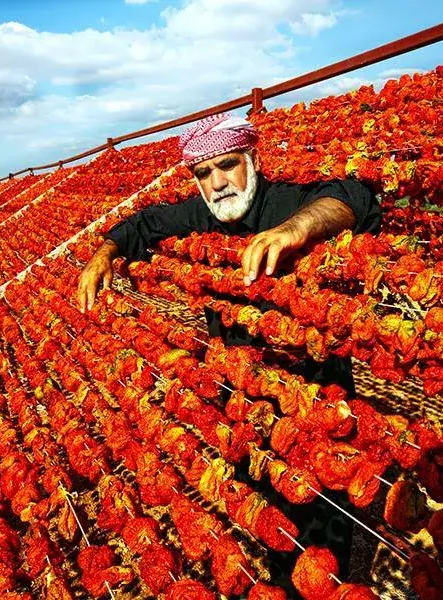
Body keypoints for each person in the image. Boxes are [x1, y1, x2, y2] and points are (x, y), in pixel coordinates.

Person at [76, 112, 382, 587]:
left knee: (325, 511)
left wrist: (295, 230)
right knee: (267, 501)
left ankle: (325, 576)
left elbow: (356, 199)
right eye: (205, 173)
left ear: (252, 160)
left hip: (314, 391)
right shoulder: (203, 214)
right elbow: (145, 223)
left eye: (228, 165)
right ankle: (284, 570)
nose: (218, 182)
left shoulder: (287, 201)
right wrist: (105, 253)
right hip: (242, 389)